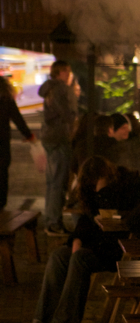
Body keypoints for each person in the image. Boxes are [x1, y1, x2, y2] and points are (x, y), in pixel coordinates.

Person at [28, 156, 140, 323]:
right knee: (59, 255)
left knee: (80, 258)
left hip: (118, 248)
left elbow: (123, 214)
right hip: (97, 245)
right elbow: (87, 218)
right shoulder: (92, 189)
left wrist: (103, 188)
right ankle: (42, 322)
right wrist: (76, 239)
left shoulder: (130, 184)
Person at [39, 60, 77, 235]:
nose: (68, 74)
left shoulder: (48, 88)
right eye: (65, 71)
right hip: (60, 136)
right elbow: (67, 113)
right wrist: (74, 119)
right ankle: (54, 223)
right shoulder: (61, 88)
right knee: (59, 182)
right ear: (58, 72)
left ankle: (50, 219)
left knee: (51, 181)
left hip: (48, 135)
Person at [0, 76, 36, 209]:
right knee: (2, 173)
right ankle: (1, 204)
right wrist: (28, 135)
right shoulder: (6, 99)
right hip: (2, 141)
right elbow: (17, 118)